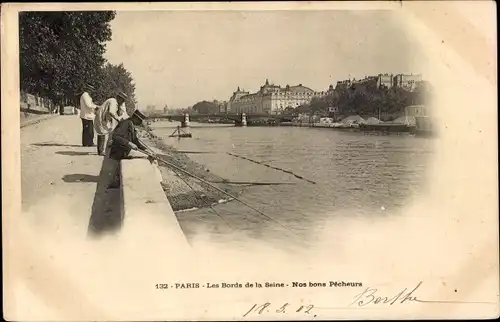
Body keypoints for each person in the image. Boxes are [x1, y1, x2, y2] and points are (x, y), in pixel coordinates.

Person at [102, 109, 155, 189]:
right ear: (135, 118)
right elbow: (115, 137)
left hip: (125, 150)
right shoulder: (125, 123)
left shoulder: (130, 123)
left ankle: (154, 180)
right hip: (121, 151)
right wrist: (129, 143)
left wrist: (145, 149)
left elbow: (135, 140)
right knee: (149, 158)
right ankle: (153, 181)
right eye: (139, 120)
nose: (140, 123)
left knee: (150, 155)